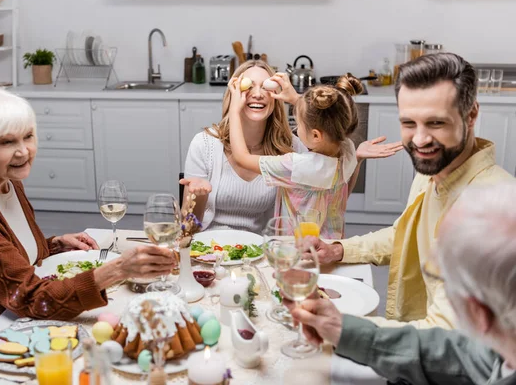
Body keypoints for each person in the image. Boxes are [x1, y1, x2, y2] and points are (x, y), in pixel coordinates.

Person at [0, 89, 177, 368]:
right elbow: (31, 299)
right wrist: (118, 269)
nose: (24, 151)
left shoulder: (5, 181)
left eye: (28, 136)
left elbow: (9, 256)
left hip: (14, 326)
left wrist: (54, 244)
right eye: (7, 142)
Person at [302, 53, 514, 328]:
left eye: (436, 123)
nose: (421, 140)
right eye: (409, 123)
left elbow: (446, 336)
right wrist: (338, 249)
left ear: (471, 114)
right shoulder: (434, 170)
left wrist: (343, 329)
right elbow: (404, 235)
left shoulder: (495, 211)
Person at [287, 182, 516, 385]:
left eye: (438, 275)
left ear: (478, 314)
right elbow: (459, 355)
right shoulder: (502, 349)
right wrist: (343, 330)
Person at [182, 60, 400, 235]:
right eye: (247, 86)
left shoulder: (294, 149)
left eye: (265, 86)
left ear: (276, 97)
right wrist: (198, 196)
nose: (257, 93)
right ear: (233, 93)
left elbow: (330, 189)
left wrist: (234, 112)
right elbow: (187, 228)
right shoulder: (205, 145)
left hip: (266, 252)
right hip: (211, 250)